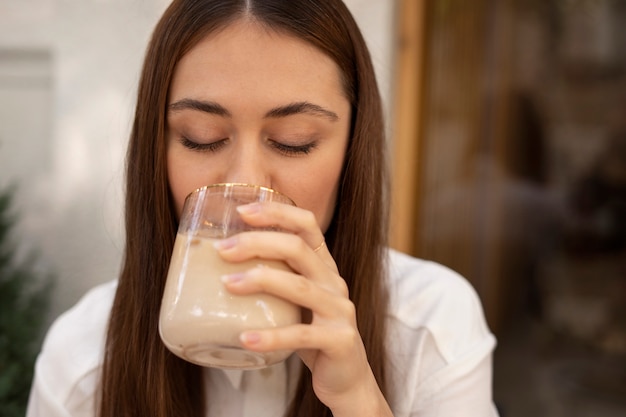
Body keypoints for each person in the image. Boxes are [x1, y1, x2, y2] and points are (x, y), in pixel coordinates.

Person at [26, 0, 498, 416]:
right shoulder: (84, 359)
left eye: (294, 143)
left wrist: (359, 401)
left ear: (353, 149)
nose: (244, 184)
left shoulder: (429, 327)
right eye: (201, 139)